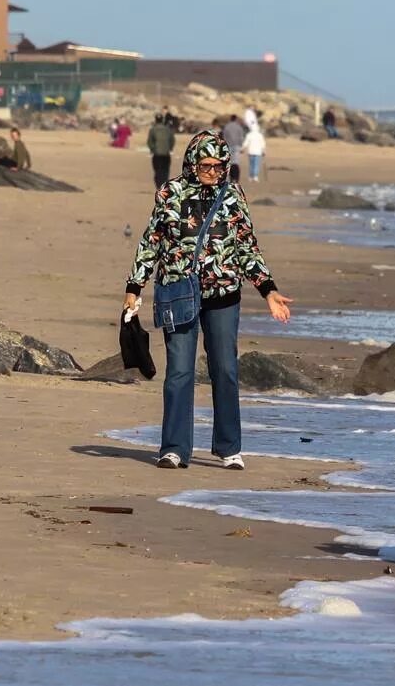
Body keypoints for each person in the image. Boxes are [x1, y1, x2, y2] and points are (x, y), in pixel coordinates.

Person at [122, 130, 293, 470]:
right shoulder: (170, 193)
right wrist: (134, 287)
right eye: (207, 166)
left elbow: (247, 247)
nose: (214, 172)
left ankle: (229, 447)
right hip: (179, 294)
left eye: (220, 166)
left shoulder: (233, 195)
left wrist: (268, 290)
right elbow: (151, 241)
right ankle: (173, 448)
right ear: (191, 163)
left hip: (223, 294)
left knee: (226, 370)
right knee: (180, 372)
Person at [147, 112, 176, 188]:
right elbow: (172, 140)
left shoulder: (152, 130)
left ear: (156, 120)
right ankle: (164, 185)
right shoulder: (168, 129)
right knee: (165, 170)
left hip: (157, 154)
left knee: (157, 170)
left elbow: (150, 141)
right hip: (166, 154)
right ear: (162, 120)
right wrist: (170, 148)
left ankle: (159, 185)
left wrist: (152, 149)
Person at [221, 114, 246, 183]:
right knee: (236, 162)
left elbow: (224, 137)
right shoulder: (239, 127)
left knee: (229, 162)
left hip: (228, 146)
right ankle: (236, 178)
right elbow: (241, 137)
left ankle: (231, 178)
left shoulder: (226, 127)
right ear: (236, 119)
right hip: (237, 146)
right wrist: (241, 147)